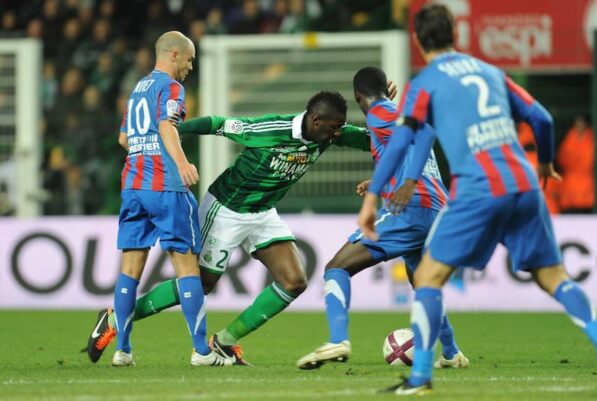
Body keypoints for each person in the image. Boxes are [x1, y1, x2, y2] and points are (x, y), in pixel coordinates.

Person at [357, 4, 597, 395]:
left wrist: (372, 197)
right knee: (555, 278)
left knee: (430, 277)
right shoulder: (490, 71)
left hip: (479, 186)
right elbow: (542, 119)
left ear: (417, 40)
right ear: (455, 31)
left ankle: (420, 377)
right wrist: (547, 162)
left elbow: (403, 138)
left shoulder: (426, 81)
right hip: (523, 181)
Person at [86, 89, 383, 365]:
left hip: (263, 212)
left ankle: (223, 342)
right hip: (226, 208)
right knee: (201, 284)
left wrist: (386, 109)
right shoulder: (270, 129)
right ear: (315, 120)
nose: (337, 132)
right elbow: (217, 124)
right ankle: (114, 319)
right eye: (333, 126)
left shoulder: (329, 134)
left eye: (340, 127)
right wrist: (170, 132)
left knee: (294, 281)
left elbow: (379, 139)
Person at [296, 67, 468, 370]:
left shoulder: (380, 113)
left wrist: (409, 183)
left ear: (357, 96)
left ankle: (338, 339)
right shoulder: (391, 113)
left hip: (413, 208)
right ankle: (452, 354)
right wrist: (380, 183)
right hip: (436, 208)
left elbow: (426, 132)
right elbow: (404, 150)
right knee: (423, 282)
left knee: (337, 268)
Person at [105, 31, 231, 367]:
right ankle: (202, 351)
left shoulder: (136, 90)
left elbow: (123, 138)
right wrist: (181, 162)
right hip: (167, 188)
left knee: (129, 271)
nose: (192, 66)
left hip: (133, 186)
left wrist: (144, 157)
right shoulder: (172, 88)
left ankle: (123, 350)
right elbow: (166, 127)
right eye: (189, 59)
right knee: (187, 268)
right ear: (174, 55)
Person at [557, 114, 595, 213]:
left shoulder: (591, 140)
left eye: (582, 123)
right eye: (577, 123)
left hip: (587, 187)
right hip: (570, 188)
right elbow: (563, 160)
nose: (579, 126)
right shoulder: (568, 140)